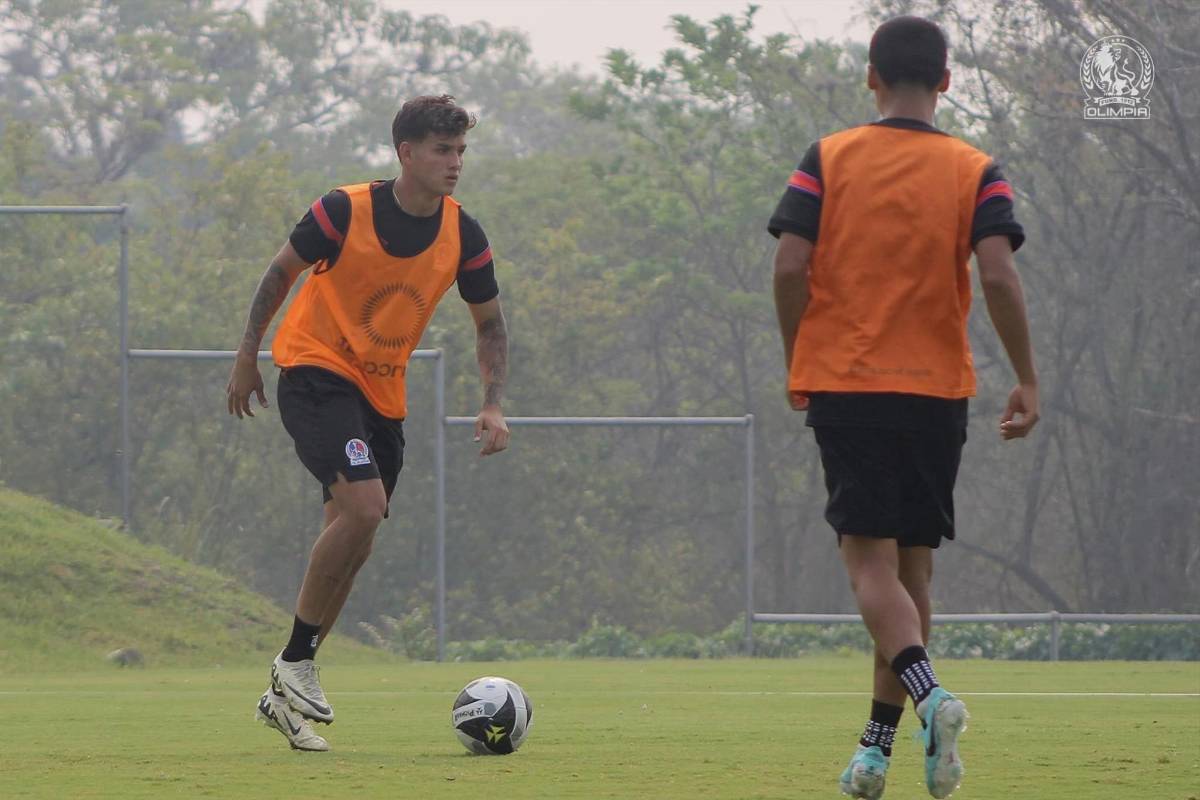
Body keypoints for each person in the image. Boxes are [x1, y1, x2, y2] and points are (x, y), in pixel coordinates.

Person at [768, 16, 1038, 800]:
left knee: (868, 566)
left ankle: (931, 698)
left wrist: (800, 352)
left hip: (849, 382)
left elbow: (790, 263)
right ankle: (877, 754)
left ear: (871, 78)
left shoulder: (829, 156)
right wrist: (1027, 377)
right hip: (937, 392)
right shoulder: (975, 168)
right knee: (912, 573)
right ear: (946, 82)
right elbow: (997, 276)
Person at [225, 95, 510, 752]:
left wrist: (493, 401)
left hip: (382, 398)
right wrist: (246, 358)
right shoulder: (342, 210)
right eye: (443, 149)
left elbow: (490, 323)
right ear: (406, 153)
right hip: (314, 371)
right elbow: (278, 275)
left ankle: (285, 693)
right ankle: (295, 660)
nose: (454, 162)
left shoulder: (463, 234)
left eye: (461, 150)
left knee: (359, 536)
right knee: (362, 507)